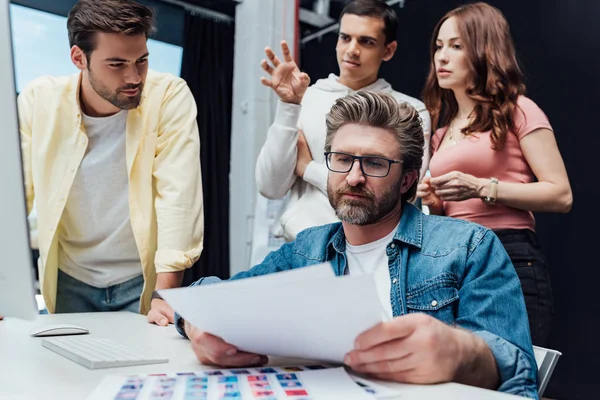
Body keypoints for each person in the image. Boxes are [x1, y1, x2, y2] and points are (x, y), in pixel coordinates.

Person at [176, 92, 538, 399]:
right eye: (343, 159)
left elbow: (521, 381)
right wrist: (196, 324)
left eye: (375, 164)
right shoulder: (306, 249)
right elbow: (217, 295)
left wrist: (463, 353)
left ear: (407, 180)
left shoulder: (469, 246)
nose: (353, 177)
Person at [17, 0, 203, 324]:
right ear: (79, 58)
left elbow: (179, 197)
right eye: (117, 64)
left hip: (142, 282)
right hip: (69, 279)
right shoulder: (38, 102)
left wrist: (164, 295)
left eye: (142, 61)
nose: (134, 77)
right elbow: (12, 202)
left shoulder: (169, 96)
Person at [418, 2, 572, 347]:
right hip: (455, 259)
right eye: (438, 47)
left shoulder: (518, 110)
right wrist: (435, 203)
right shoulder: (440, 133)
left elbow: (561, 195)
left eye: (456, 46)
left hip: (509, 254)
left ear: (483, 50)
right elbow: (450, 212)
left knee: (508, 377)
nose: (441, 57)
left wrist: (481, 187)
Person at [256, 0, 431, 241]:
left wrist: (309, 169)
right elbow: (270, 187)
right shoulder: (306, 98)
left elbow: (401, 194)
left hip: (375, 250)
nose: (352, 49)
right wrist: (288, 105)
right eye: (345, 38)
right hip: (303, 246)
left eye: (366, 41)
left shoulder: (409, 110)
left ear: (388, 50)